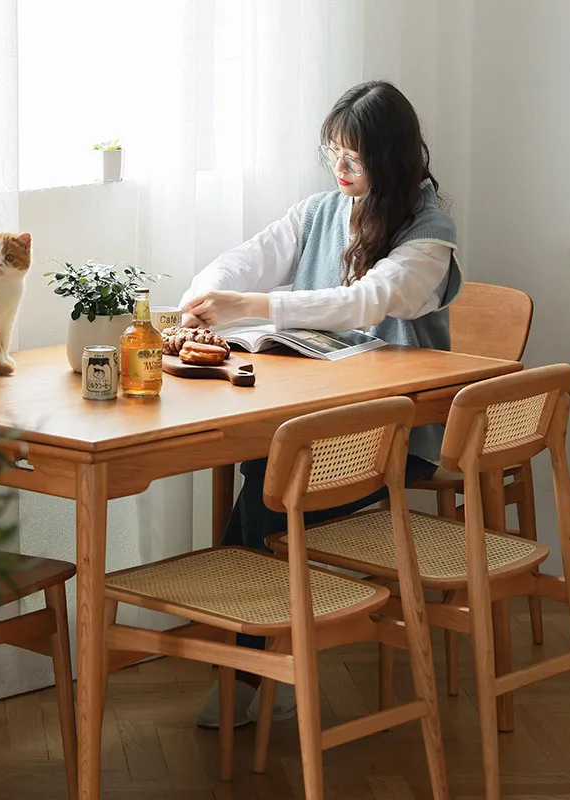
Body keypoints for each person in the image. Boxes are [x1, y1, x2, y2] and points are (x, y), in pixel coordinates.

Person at [180, 80, 463, 729]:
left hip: (392, 439)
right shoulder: (316, 211)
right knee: (265, 477)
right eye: (332, 153)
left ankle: (250, 670)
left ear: (389, 160)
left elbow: (368, 299)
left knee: (263, 489)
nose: (339, 170)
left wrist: (253, 307)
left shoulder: (428, 234)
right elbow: (246, 260)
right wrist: (210, 293)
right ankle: (257, 666)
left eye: (354, 159)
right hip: (311, 424)